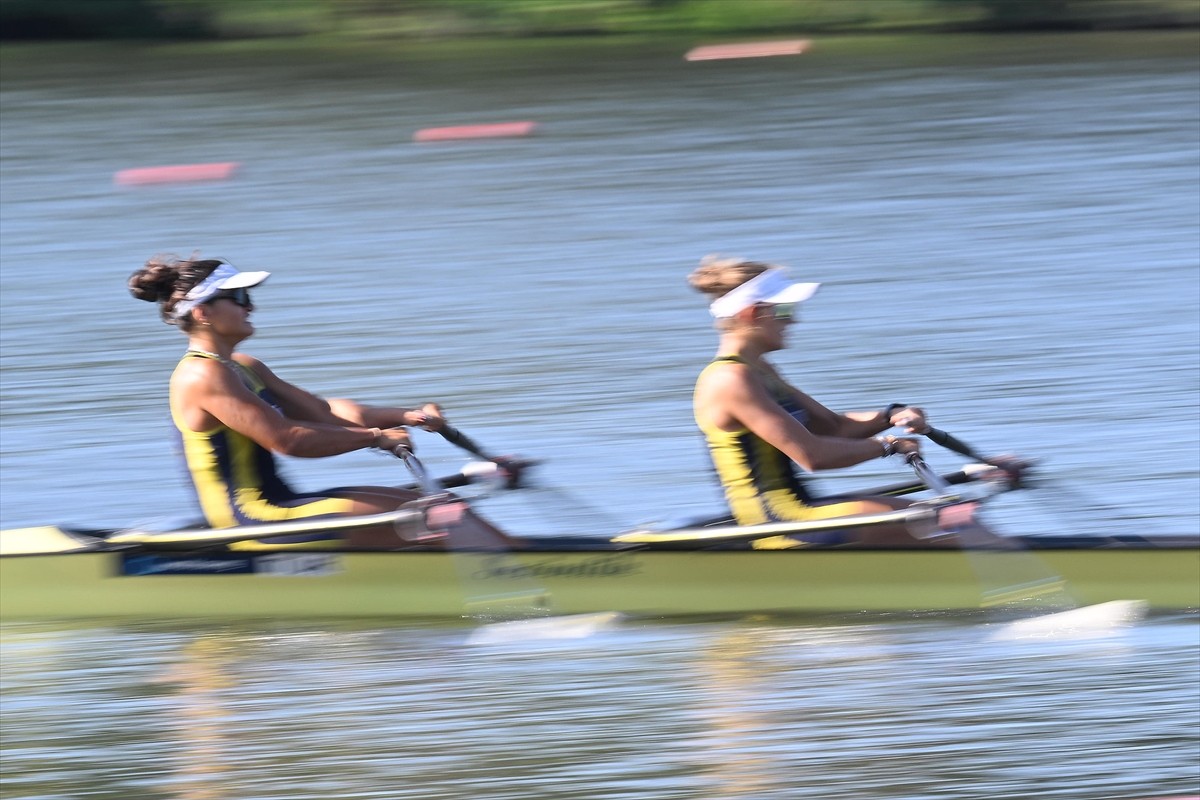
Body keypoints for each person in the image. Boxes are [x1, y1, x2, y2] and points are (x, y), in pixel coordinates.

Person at [128, 253, 488, 549]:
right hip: (252, 520)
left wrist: (409, 417)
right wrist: (375, 438)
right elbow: (288, 439)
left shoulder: (243, 367)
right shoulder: (202, 376)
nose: (250, 306)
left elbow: (322, 412)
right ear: (202, 313)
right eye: (238, 298)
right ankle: (528, 581)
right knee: (437, 519)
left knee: (445, 509)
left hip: (282, 504)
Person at [688, 255, 952, 548]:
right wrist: (888, 445)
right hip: (778, 523)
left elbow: (832, 427)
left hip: (804, 509)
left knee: (950, 521)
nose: (793, 319)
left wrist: (891, 416)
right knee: (944, 522)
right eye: (785, 309)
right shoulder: (731, 380)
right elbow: (813, 455)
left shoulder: (761, 371)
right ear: (752, 314)